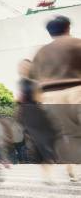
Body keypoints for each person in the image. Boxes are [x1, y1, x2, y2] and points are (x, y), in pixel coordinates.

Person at [31, 16, 81, 182]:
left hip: (51, 96)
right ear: (68, 27)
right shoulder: (76, 43)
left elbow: (35, 80)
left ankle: (73, 169)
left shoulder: (41, 52)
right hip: (77, 90)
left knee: (69, 134)